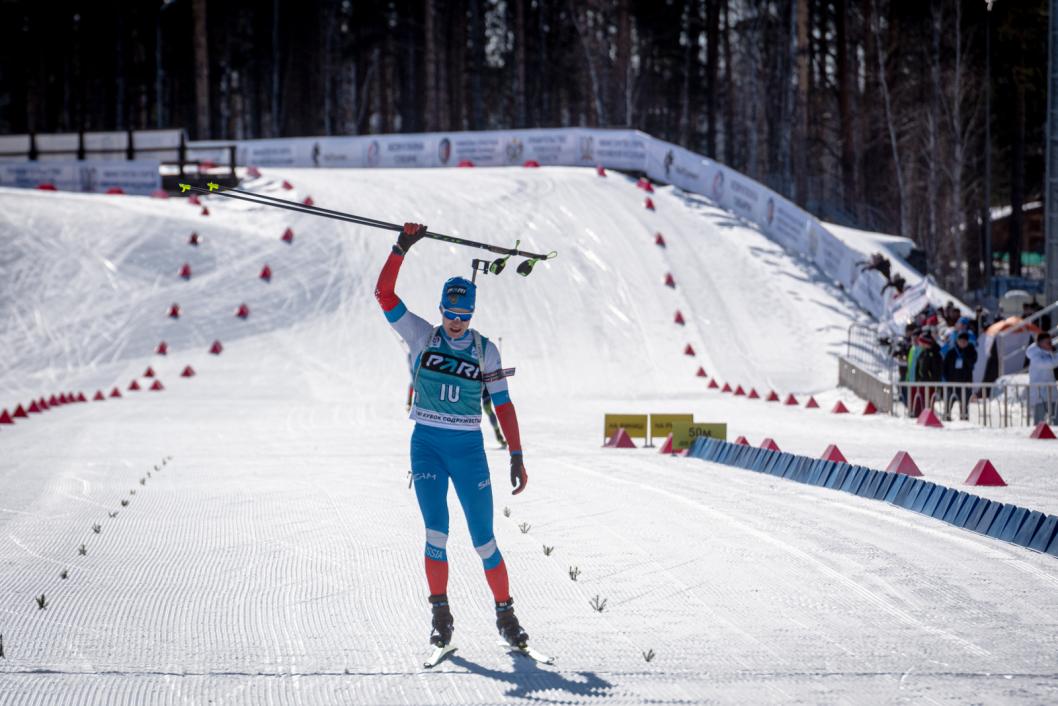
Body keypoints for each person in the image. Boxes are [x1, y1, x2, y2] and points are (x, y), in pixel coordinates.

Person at [374, 222, 531, 651]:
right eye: (451, 314)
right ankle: (440, 613)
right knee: (436, 534)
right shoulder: (423, 336)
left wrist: (516, 454)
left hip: (468, 451)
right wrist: (400, 248)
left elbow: (504, 405)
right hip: (427, 446)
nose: (457, 323)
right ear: (441, 309)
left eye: (464, 316)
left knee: (484, 541)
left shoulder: (484, 350)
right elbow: (385, 297)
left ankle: (506, 615)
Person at [943, 332, 977, 421]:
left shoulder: (971, 351)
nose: (962, 343)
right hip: (952, 382)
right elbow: (945, 366)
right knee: (948, 403)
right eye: (960, 341)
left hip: (965, 382)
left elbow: (972, 363)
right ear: (957, 341)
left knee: (964, 404)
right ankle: (947, 418)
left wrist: (965, 354)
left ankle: (964, 419)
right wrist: (947, 378)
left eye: (964, 341)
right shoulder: (951, 352)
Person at [1026, 333, 1058, 424]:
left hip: (1051, 393)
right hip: (1040, 395)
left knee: (1055, 421)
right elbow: (1048, 364)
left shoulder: (1049, 353)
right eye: (1047, 342)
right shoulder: (1035, 356)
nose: (1050, 344)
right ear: (1040, 343)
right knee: (1039, 422)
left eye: (1050, 342)